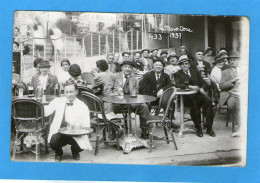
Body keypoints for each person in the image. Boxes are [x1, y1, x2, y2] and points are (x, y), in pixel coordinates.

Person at [44, 81, 92, 162]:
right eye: (66, 92)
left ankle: (75, 151)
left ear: (76, 92)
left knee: (81, 145)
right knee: (53, 141)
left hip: (76, 134)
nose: (69, 95)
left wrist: (78, 129)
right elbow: (46, 111)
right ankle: (59, 152)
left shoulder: (83, 106)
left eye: (71, 92)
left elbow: (86, 125)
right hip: (60, 132)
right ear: (64, 92)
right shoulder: (58, 101)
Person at [105, 58, 150, 139]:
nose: (127, 69)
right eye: (125, 66)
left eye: (130, 67)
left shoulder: (135, 80)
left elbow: (136, 93)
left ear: (132, 69)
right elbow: (107, 90)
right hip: (117, 103)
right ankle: (113, 130)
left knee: (144, 107)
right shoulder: (114, 76)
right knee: (110, 108)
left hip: (131, 104)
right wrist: (116, 95)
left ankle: (144, 130)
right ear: (122, 67)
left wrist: (134, 100)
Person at [174, 55, 215, 137]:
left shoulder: (195, 71)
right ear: (180, 66)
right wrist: (189, 86)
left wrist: (202, 88)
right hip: (186, 97)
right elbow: (177, 84)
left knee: (208, 103)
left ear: (189, 64)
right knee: (194, 105)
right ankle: (198, 128)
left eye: (186, 63)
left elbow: (204, 83)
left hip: (198, 95)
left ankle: (209, 127)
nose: (184, 65)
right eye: (182, 64)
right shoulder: (177, 74)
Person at [219, 51, 240, 137]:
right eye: (230, 60)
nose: (231, 61)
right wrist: (232, 81)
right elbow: (221, 86)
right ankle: (242, 126)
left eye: (234, 60)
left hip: (244, 93)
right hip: (231, 94)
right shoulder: (225, 72)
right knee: (231, 105)